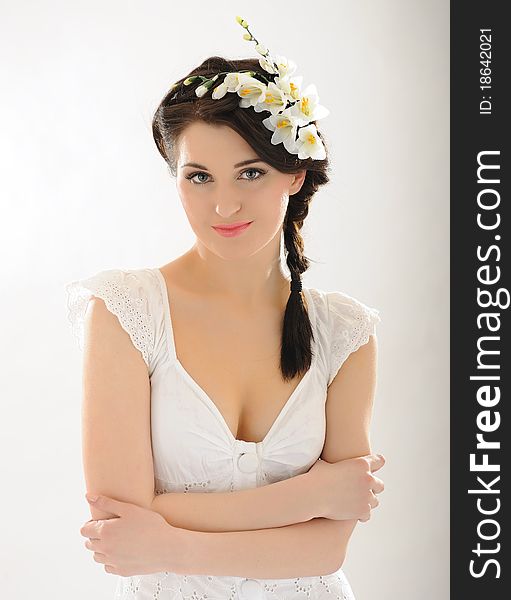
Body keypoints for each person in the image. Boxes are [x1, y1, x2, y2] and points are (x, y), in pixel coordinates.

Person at [65, 16, 386, 600]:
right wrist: (313, 495)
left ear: (295, 174)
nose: (224, 203)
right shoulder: (126, 311)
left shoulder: (344, 332)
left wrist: (170, 537)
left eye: (250, 172)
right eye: (199, 177)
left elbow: (326, 548)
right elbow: (122, 531)